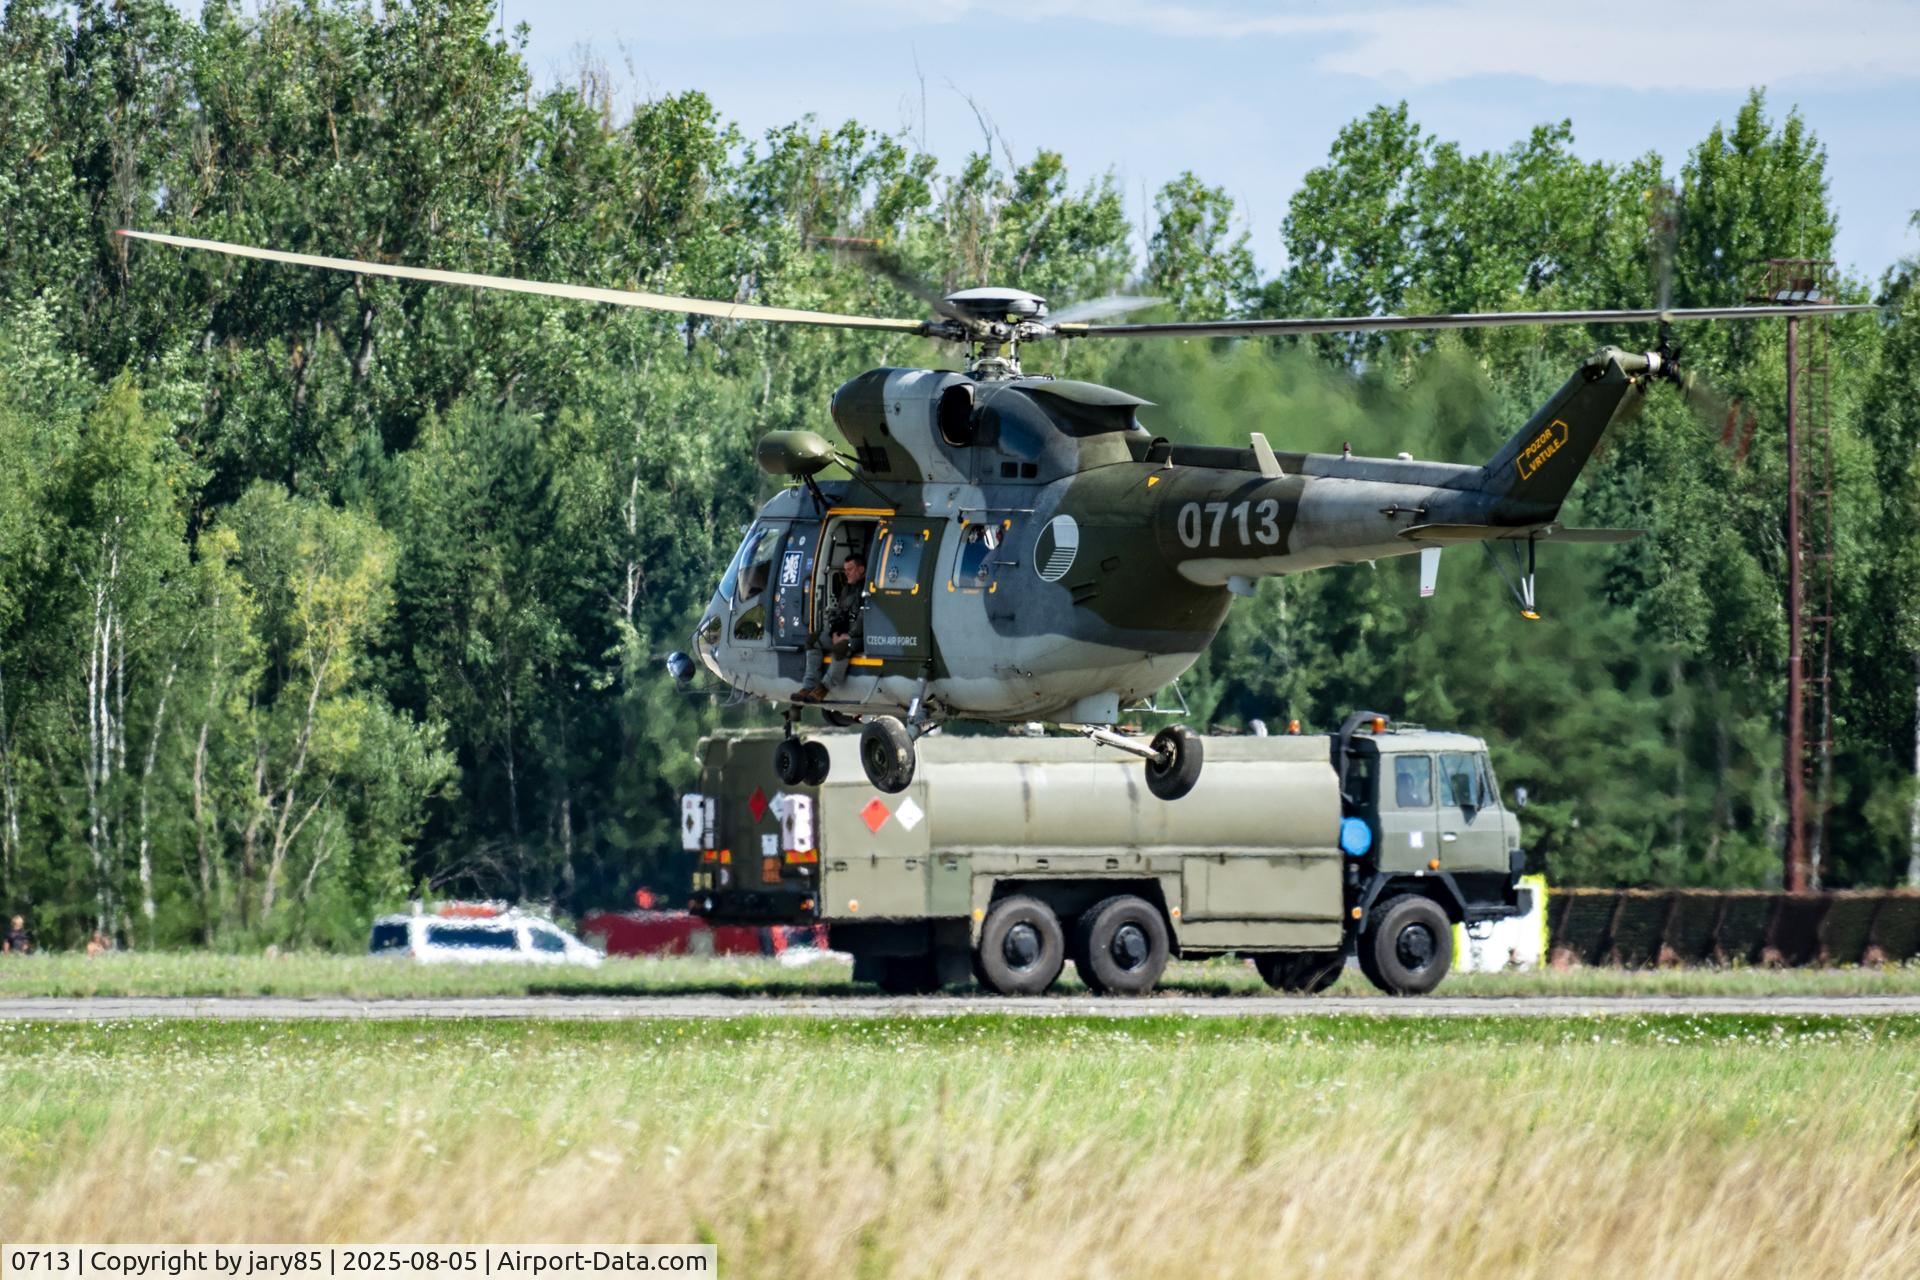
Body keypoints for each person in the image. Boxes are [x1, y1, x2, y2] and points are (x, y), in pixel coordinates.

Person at [793, 552, 866, 702]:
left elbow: (864, 618)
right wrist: (834, 632)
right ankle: (808, 686)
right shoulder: (847, 589)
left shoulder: (868, 590)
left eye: (850, 569)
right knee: (812, 640)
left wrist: (849, 636)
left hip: (861, 638)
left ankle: (824, 688)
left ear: (861, 570)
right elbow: (838, 613)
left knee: (841, 647)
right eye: (845, 570)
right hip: (843, 634)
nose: (847, 574)